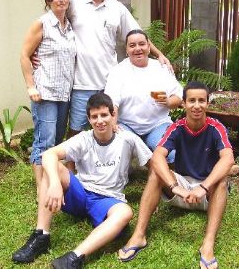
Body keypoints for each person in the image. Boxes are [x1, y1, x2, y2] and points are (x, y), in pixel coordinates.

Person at [32, 0, 171, 138]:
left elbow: (137, 35)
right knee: (76, 130)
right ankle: (72, 167)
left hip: (109, 84)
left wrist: (159, 54)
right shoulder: (73, 2)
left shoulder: (117, 8)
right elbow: (50, 25)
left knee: (108, 130)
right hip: (80, 83)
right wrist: (33, 53)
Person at [12, 93, 153, 268]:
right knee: (53, 167)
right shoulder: (84, 138)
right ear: (89, 119)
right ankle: (42, 235)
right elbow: (48, 155)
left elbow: (153, 164)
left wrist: (171, 187)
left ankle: (75, 257)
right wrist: (55, 184)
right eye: (94, 116)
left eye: (104, 115)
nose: (100, 121)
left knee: (125, 213)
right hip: (80, 192)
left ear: (113, 115)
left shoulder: (128, 139)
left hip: (108, 199)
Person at [118, 81, 235, 269]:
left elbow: (228, 159)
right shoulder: (177, 127)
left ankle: (208, 244)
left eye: (201, 101)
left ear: (208, 103)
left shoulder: (216, 127)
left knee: (222, 180)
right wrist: (175, 187)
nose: (197, 105)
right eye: (192, 100)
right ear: (183, 103)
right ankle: (139, 235)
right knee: (156, 172)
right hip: (181, 190)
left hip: (207, 194)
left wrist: (202, 188)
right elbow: (157, 156)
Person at [20, 0, 76, 198]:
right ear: (48, 1)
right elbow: (25, 55)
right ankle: (41, 188)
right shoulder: (42, 24)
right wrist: (30, 86)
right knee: (45, 140)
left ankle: (51, 179)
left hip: (65, 93)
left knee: (57, 139)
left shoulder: (69, 26)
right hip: (44, 93)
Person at [104, 29, 182, 162]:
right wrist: (113, 124)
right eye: (132, 45)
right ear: (127, 50)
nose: (138, 49)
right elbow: (112, 104)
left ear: (149, 47)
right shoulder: (118, 72)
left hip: (158, 124)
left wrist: (168, 102)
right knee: (117, 153)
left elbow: (179, 96)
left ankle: (155, 156)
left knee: (172, 154)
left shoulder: (162, 68)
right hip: (127, 125)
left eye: (142, 44)